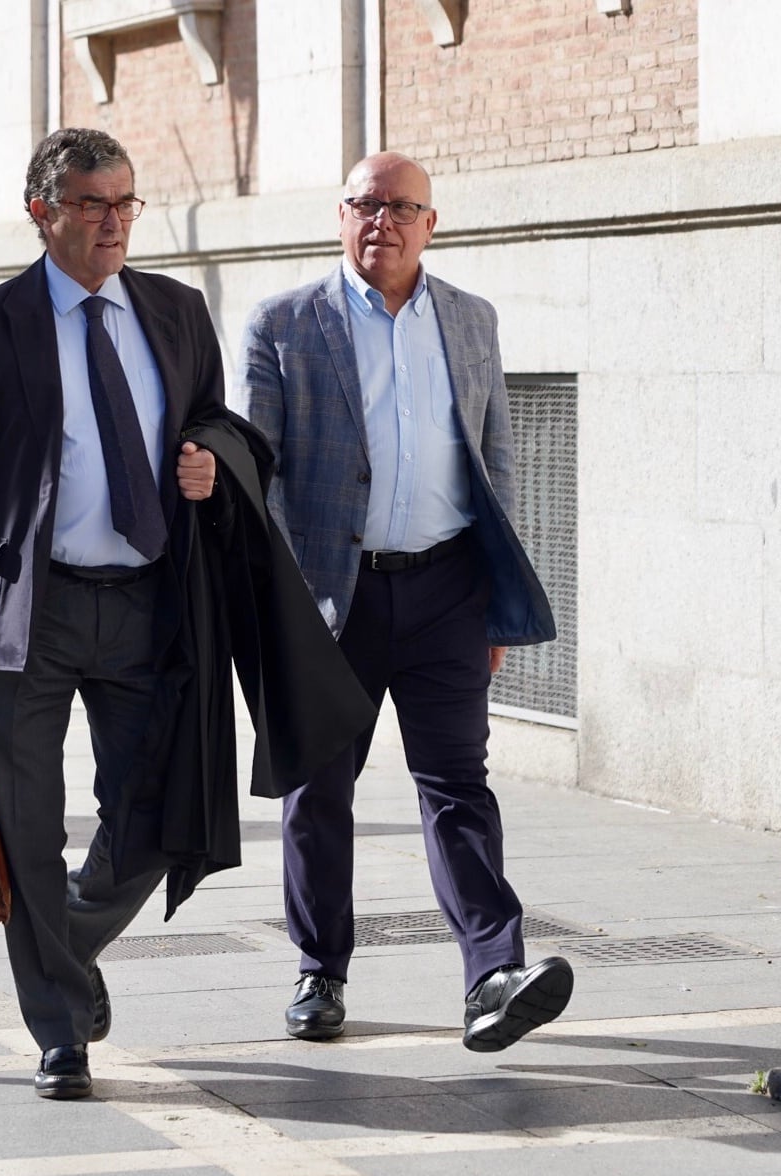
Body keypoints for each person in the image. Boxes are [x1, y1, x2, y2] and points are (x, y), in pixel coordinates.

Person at [0, 129, 372, 1101]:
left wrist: (211, 460)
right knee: (27, 832)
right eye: (90, 204)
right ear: (42, 213)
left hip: (146, 608)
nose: (113, 222)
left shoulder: (173, 309)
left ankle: (63, 956)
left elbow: (214, 417)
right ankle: (59, 1035)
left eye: (125, 202)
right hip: (20, 619)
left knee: (160, 813)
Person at [234, 152, 571, 1052]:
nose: (381, 221)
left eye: (401, 207)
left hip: (448, 589)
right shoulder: (283, 324)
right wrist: (279, 608)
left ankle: (494, 972)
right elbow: (257, 474)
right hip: (330, 603)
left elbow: (492, 459)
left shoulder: (470, 319)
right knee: (318, 792)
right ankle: (320, 971)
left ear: (433, 222)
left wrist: (494, 603)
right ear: (339, 215)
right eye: (364, 205)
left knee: (458, 784)